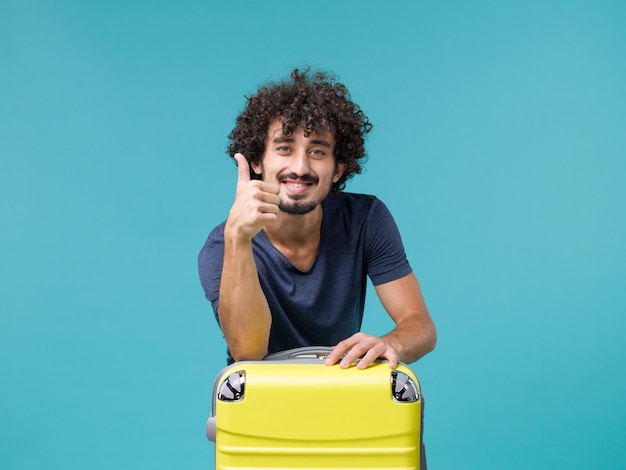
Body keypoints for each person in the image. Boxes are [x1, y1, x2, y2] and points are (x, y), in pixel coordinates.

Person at [198, 68, 436, 368]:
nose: (300, 166)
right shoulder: (222, 245)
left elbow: (421, 325)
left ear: (337, 170)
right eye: (284, 148)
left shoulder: (365, 220)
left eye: (317, 151)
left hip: (340, 396)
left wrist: (390, 343)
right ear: (257, 160)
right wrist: (238, 238)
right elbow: (249, 353)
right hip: (260, 403)